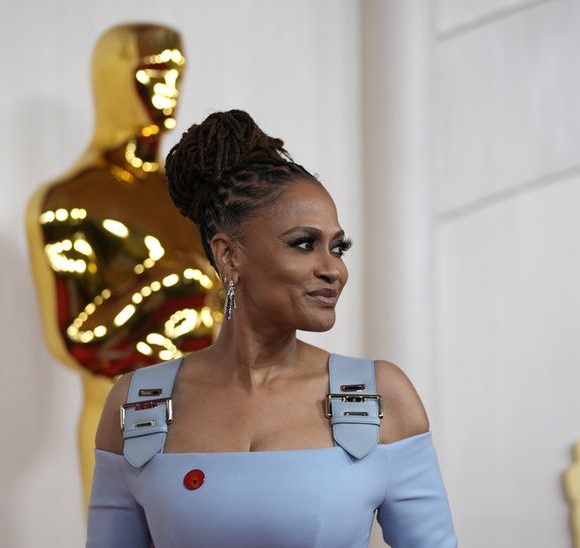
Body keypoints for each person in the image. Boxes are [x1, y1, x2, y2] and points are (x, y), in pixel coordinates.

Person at [86, 109, 458, 547]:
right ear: (229, 256)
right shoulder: (136, 405)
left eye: (338, 248)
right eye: (304, 244)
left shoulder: (382, 397)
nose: (333, 270)